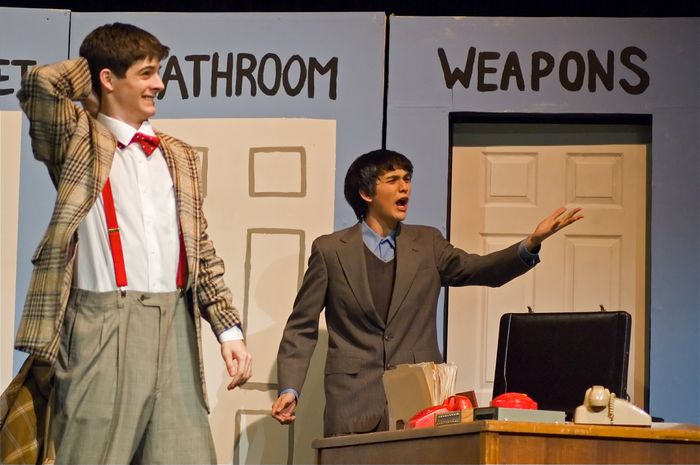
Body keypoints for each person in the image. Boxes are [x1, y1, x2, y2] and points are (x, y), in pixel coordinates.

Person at [14, 23, 251, 464]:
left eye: (157, 72)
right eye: (145, 73)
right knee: (91, 455)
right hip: (102, 323)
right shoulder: (76, 139)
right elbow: (41, 85)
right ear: (108, 79)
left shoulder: (177, 153)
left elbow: (199, 248)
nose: (158, 84)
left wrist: (228, 329)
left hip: (175, 327)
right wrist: (92, 75)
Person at [271, 149, 582, 436]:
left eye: (407, 179)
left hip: (419, 403)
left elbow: (479, 269)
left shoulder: (428, 244)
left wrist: (530, 244)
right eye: (393, 180)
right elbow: (302, 326)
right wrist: (290, 388)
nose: (404, 187)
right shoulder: (330, 251)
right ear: (366, 193)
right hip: (352, 403)